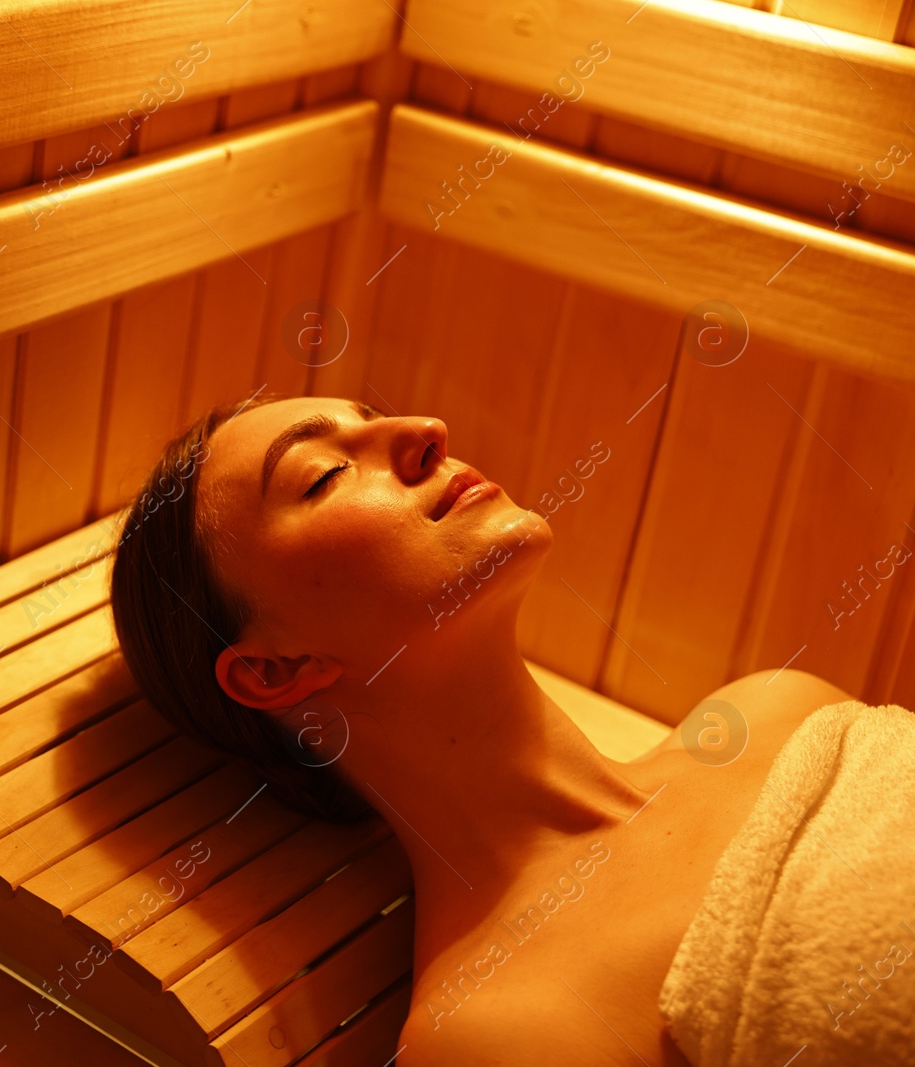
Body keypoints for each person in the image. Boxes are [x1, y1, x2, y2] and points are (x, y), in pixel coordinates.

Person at [107, 393, 854, 1066]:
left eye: (380, 412)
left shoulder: (779, 714)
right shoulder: (501, 1029)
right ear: (278, 669)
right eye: (325, 474)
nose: (427, 429)